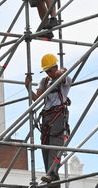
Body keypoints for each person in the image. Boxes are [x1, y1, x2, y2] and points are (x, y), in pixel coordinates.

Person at [25, 53, 71, 185]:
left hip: (57, 115)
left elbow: (62, 73)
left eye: (50, 70)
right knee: (45, 145)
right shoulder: (44, 81)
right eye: (46, 71)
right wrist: (28, 87)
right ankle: (51, 177)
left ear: (55, 67)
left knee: (55, 144)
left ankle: (52, 173)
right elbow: (37, 98)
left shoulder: (65, 78)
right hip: (46, 116)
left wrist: (57, 72)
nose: (48, 73)